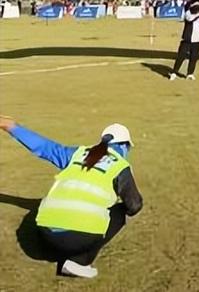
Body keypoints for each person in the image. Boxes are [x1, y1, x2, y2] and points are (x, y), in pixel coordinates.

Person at [0, 117, 142, 279]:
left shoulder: (77, 153)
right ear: (124, 145)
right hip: (76, 239)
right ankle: (80, 261)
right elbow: (135, 205)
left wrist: (13, 127)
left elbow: (44, 147)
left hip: (45, 234)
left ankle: (53, 249)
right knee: (120, 212)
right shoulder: (120, 166)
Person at [168, 0, 199, 81]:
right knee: (181, 56)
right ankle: (174, 72)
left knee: (193, 57)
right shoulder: (188, 13)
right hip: (187, 40)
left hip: (197, 40)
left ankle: (190, 73)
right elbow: (190, 19)